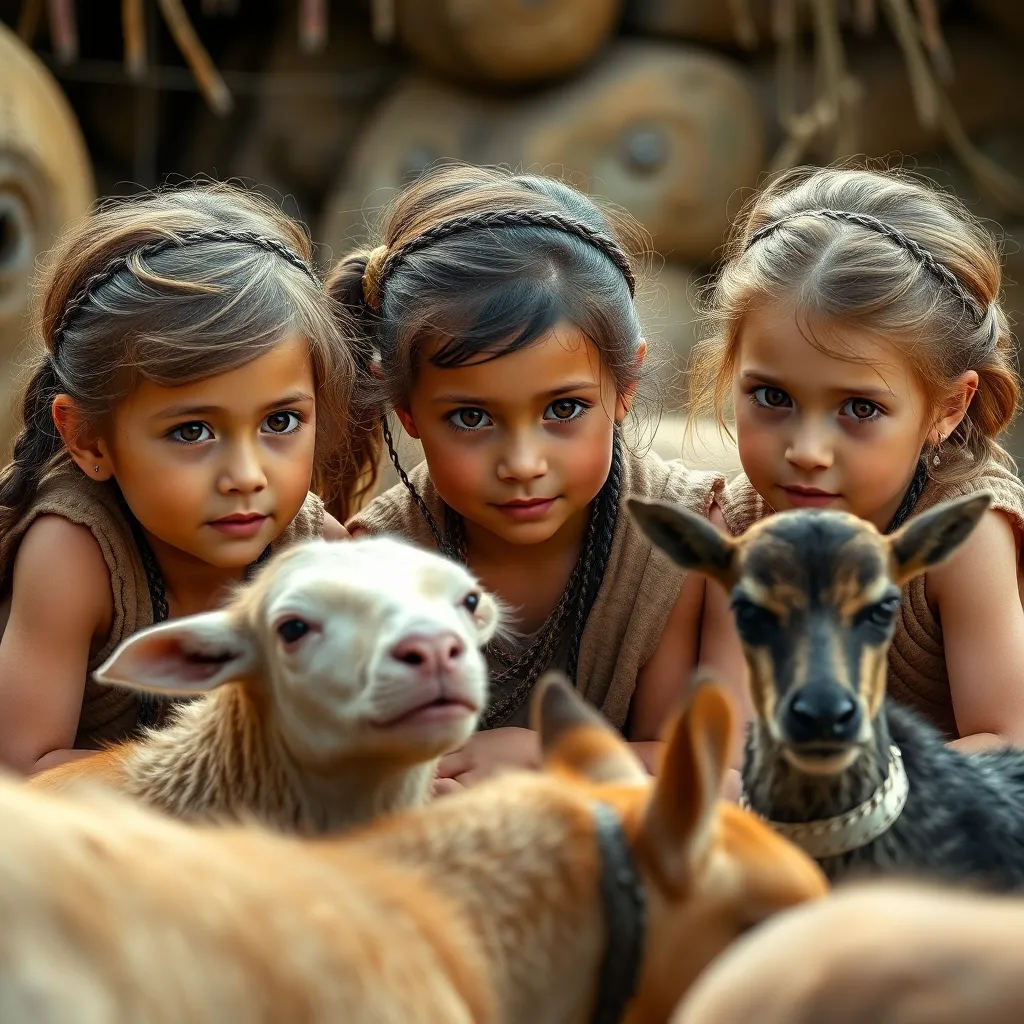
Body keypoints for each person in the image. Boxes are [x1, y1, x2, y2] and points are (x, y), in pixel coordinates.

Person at [330, 164, 727, 789]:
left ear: (625, 385)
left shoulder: (684, 540)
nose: (522, 463)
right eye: (470, 417)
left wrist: (554, 755)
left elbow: (709, 777)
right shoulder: (376, 563)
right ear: (405, 411)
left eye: (563, 410)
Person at [0, 183, 378, 775]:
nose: (246, 477)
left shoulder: (316, 553)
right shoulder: (75, 552)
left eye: (280, 421)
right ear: (88, 439)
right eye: (192, 432)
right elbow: (21, 771)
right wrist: (239, 768)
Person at [690, 164, 1024, 753]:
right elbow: (734, 745)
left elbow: (1007, 738)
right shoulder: (738, 530)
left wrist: (844, 789)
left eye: (860, 410)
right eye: (772, 397)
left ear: (948, 407)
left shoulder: (962, 535)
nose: (807, 452)